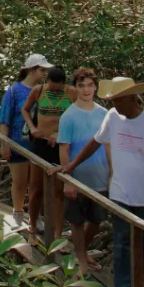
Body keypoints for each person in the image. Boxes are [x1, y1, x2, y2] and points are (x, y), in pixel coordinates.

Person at [52, 77, 144, 287]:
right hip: (120, 194)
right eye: (112, 101)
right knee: (122, 244)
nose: (114, 105)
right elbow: (95, 142)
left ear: (132, 98)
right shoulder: (112, 116)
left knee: (142, 247)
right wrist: (72, 165)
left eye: (119, 101)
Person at [57, 68, 111, 275]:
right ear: (75, 88)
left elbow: (108, 145)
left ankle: (83, 250)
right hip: (78, 178)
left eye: (89, 85)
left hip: (100, 176)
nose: (86, 90)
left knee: (97, 220)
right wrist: (67, 180)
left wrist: (113, 173)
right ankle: (80, 261)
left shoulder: (104, 114)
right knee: (77, 222)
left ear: (96, 87)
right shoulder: (68, 116)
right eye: (81, 85)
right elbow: (64, 148)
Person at [22, 66, 77, 245]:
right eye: (51, 87)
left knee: (58, 192)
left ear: (64, 84)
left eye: (57, 88)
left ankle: (58, 235)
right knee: (36, 188)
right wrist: (32, 128)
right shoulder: (38, 91)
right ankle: (32, 228)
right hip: (40, 144)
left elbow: (77, 116)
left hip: (60, 146)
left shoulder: (71, 93)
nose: (54, 91)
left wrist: (60, 132)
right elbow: (25, 110)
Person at [0, 54, 52, 227]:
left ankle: (36, 217)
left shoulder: (45, 91)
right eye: (42, 70)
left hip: (39, 146)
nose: (45, 73)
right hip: (17, 144)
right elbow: (4, 119)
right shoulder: (13, 91)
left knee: (37, 185)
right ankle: (18, 212)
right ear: (32, 70)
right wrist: (4, 143)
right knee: (20, 182)